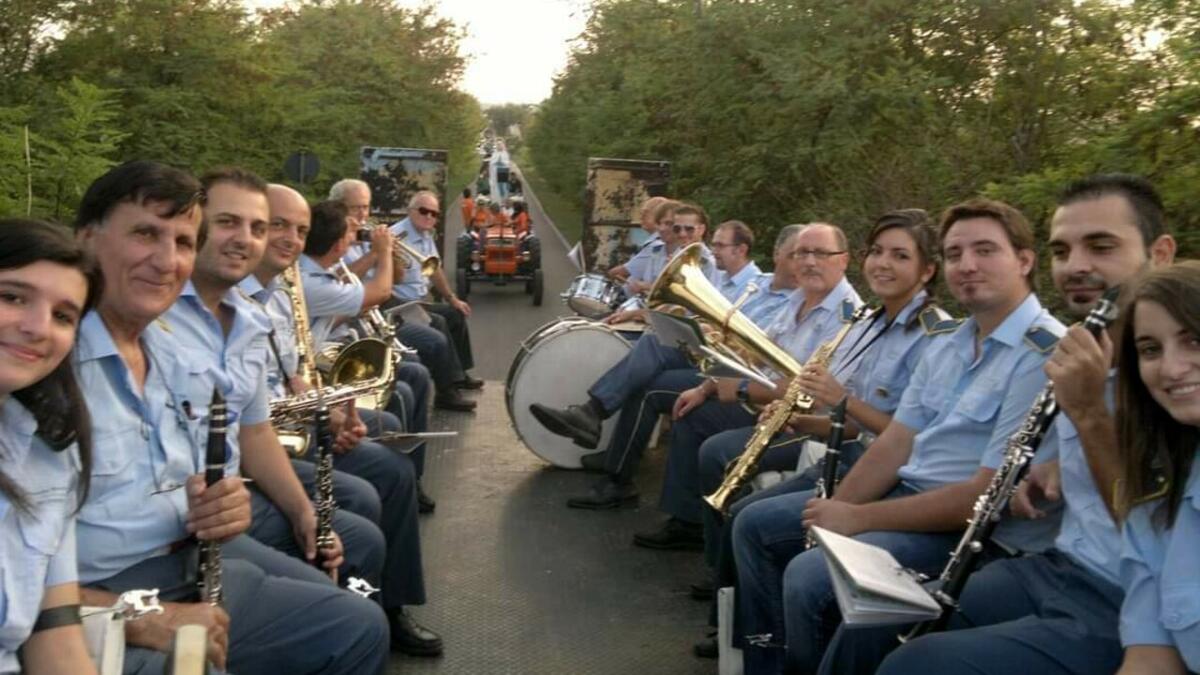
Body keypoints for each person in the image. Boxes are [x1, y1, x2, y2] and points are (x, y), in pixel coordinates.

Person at [824, 175, 1177, 675]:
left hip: (1127, 595)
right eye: (1063, 249)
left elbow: (1159, 531)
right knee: (871, 623)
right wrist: (1057, 466)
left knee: (915, 664)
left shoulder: (1174, 373)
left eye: (1101, 246)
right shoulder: (1088, 351)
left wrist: (1091, 417)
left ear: (1160, 253)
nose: (1076, 266)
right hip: (1057, 567)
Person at [73, 160, 388, 674]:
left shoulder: (171, 354)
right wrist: (139, 615)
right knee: (198, 666)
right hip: (109, 588)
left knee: (355, 623)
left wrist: (227, 506)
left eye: (180, 242)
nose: (166, 260)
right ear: (87, 240)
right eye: (145, 234)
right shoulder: (47, 371)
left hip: (192, 554)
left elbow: (228, 449)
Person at [732, 198, 1065, 674]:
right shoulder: (950, 343)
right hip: (908, 494)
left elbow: (985, 496)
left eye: (985, 251)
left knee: (809, 577)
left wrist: (858, 518)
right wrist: (834, 516)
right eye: (955, 254)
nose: (967, 265)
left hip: (968, 530)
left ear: (1026, 261)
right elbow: (896, 443)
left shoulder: (1042, 355)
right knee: (780, 537)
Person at [686, 210, 952, 658]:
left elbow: (911, 440)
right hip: (851, 457)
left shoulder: (934, 337)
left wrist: (840, 400)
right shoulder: (871, 323)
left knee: (755, 525)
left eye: (900, 256)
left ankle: (768, 651)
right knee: (745, 514)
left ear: (926, 270)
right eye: (878, 252)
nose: (883, 264)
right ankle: (751, 643)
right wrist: (801, 420)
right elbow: (850, 424)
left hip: (890, 480)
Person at [241, 184, 442, 655]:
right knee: (375, 484)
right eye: (276, 226)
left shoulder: (278, 294)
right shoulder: (246, 298)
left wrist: (329, 411)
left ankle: (386, 605)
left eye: (300, 230)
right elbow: (379, 292)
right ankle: (364, 611)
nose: (290, 239)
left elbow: (292, 376)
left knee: (390, 458)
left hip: (290, 422)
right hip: (270, 440)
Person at [551, 222, 860, 520]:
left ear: (843, 260)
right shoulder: (795, 299)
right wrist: (710, 376)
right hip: (751, 385)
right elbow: (758, 352)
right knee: (655, 349)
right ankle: (616, 452)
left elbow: (812, 391)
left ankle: (619, 469)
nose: (806, 262)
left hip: (782, 408)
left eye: (819, 254)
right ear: (781, 255)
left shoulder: (845, 315)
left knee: (655, 387)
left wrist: (728, 384)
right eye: (800, 254)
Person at [0, 219, 100, 674]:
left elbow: (55, 633)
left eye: (63, 316)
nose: (39, 328)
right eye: (12, 297)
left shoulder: (50, 455)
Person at [1112, 262, 1200, 675]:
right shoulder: (1153, 507)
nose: (1171, 368)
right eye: (1150, 350)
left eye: (1194, 341)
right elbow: (1151, 661)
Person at [329, 179, 477, 411]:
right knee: (436, 327)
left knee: (450, 316)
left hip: (377, 307)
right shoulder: (334, 239)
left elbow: (395, 277)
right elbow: (338, 278)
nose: (362, 214)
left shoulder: (367, 234)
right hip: (364, 314)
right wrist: (378, 254)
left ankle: (455, 378)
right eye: (355, 207)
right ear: (338, 207)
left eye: (366, 207)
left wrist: (390, 256)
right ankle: (446, 390)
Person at [389, 190, 482, 392]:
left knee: (455, 313)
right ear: (410, 211)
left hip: (417, 302)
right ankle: (447, 388)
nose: (429, 217)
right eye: (424, 211)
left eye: (434, 214)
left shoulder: (425, 235)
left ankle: (461, 373)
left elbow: (434, 270)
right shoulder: (396, 237)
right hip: (398, 305)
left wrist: (452, 298)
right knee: (438, 322)